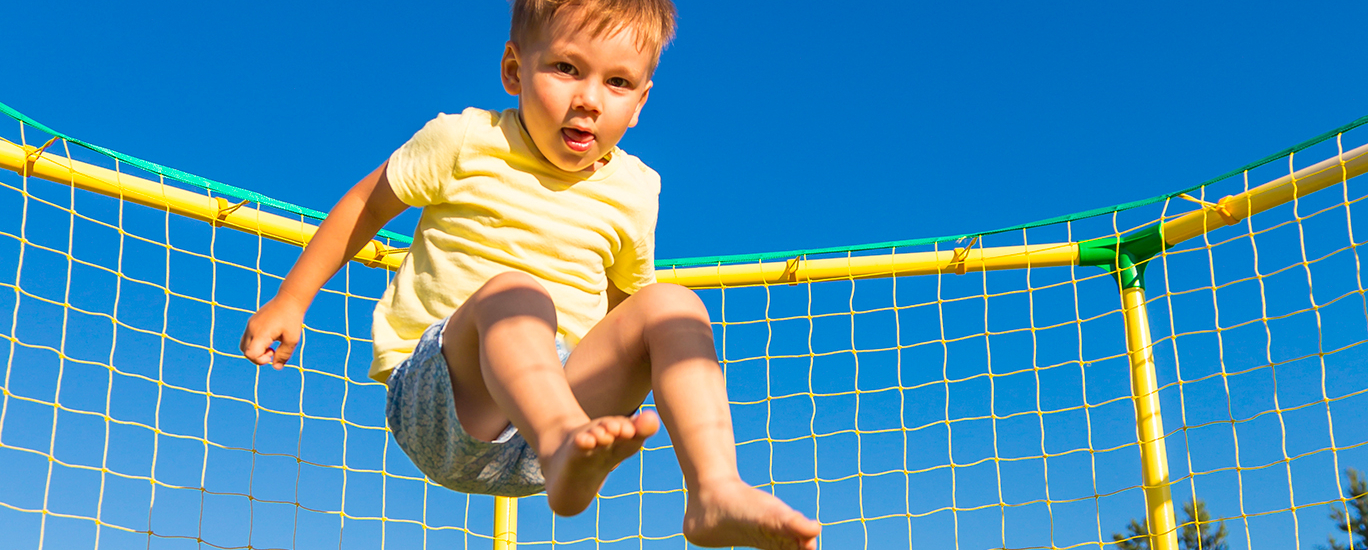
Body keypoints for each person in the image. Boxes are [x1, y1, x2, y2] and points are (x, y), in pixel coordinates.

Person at [239, 1, 821, 548]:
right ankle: (564, 438)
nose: (590, 99)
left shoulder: (636, 191)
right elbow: (366, 205)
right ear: (514, 70)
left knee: (673, 305)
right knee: (518, 292)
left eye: (617, 83)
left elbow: (627, 316)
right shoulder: (464, 140)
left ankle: (714, 488)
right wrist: (291, 301)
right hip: (446, 404)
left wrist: (628, 379)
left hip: (558, 420)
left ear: (641, 102)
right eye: (567, 68)